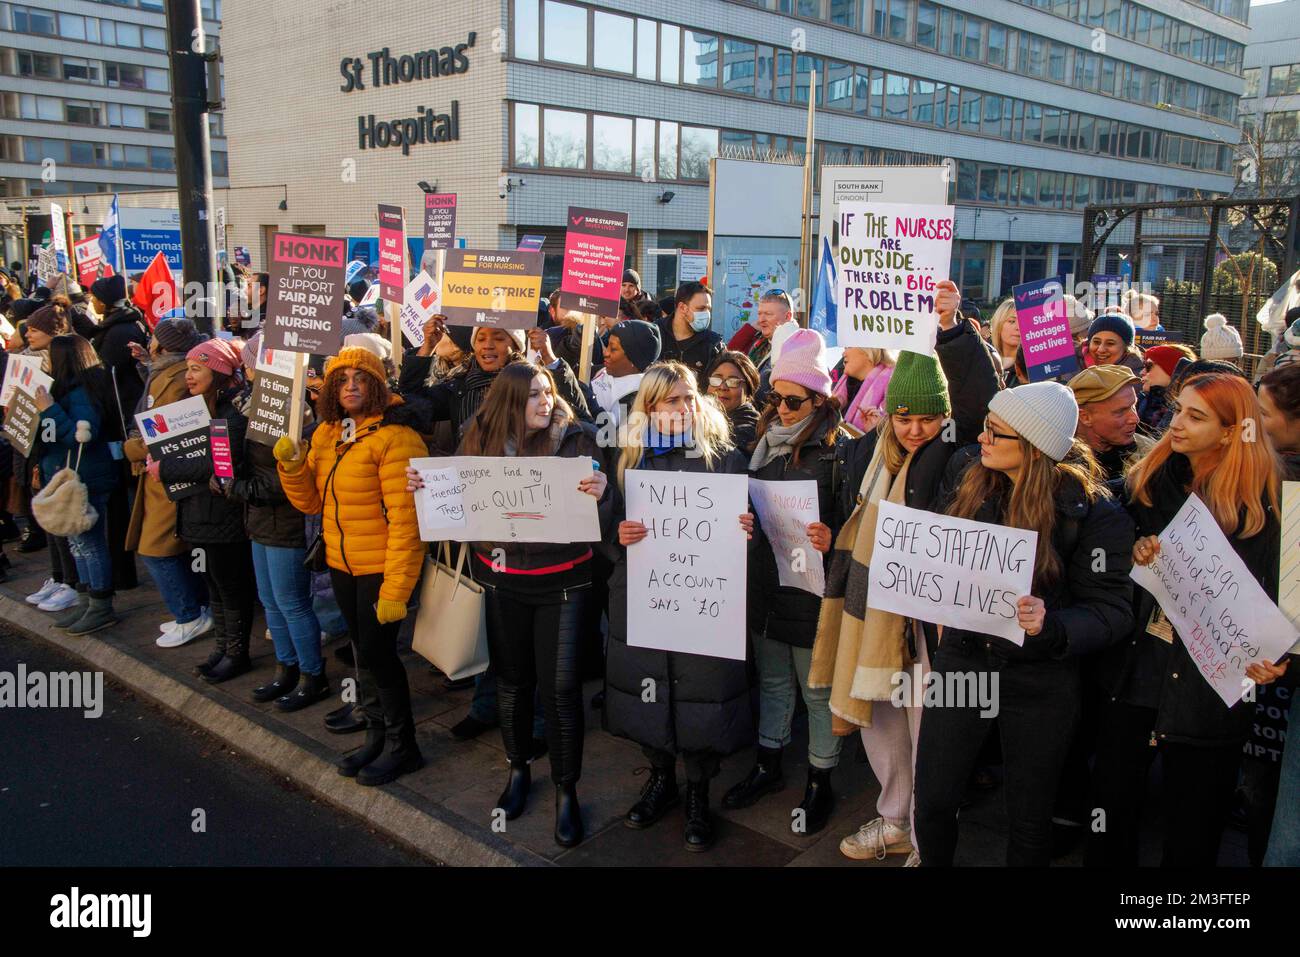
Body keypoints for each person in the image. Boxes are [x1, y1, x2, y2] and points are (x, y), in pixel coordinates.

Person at [811, 279, 1001, 865]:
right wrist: (827, 539)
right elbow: (851, 518)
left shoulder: (960, 456)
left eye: (927, 418)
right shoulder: (866, 453)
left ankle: (925, 837)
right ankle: (893, 817)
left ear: (944, 417)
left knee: (928, 735)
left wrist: (951, 328)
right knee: (881, 719)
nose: (914, 429)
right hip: (870, 612)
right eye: (903, 417)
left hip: (927, 627)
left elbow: (977, 400)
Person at [913, 382, 1136, 867]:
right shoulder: (970, 477)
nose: (982, 439)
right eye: (986, 428)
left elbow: (1113, 611)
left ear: (1034, 447)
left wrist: (1051, 624)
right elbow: (934, 548)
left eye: (997, 433)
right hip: (965, 663)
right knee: (931, 801)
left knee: (1030, 818)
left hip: (1040, 678)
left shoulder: (1094, 513)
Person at [1088, 373, 1289, 867]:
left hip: (1210, 696)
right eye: (1178, 410)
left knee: (1193, 833)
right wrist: (1130, 553)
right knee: (1110, 814)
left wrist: (1279, 659)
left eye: (1195, 416)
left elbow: (1282, 608)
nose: (1175, 423)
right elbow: (1097, 547)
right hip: (1135, 677)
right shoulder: (1149, 483)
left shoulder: (1270, 508)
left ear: (1231, 431)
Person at [410, 362, 610, 845]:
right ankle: (518, 770)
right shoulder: (477, 436)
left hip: (564, 584)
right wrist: (423, 488)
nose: (544, 402)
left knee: (560, 691)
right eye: (532, 396)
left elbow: (604, 510)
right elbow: (453, 496)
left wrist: (603, 494)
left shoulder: (576, 438)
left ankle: (567, 791)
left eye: (547, 391)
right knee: (513, 684)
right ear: (508, 402)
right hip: (502, 581)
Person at [604, 361, 754, 851]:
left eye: (690, 396)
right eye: (673, 400)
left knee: (700, 692)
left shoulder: (725, 458)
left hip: (703, 598)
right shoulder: (627, 457)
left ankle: (698, 792)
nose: (686, 407)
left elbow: (746, 536)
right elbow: (603, 525)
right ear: (650, 408)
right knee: (650, 689)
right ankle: (660, 778)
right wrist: (617, 535)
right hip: (646, 594)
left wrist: (747, 533)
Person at [277, 346, 427, 786]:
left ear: (377, 385)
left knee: (381, 657)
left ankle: (405, 748)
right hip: (342, 565)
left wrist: (397, 589)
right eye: (342, 380)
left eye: (360, 379)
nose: (351, 387)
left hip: (380, 569)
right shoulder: (327, 434)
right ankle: (376, 738)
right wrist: (291, 465)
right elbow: (310, 502)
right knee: (364, 655)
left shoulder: (397, 438)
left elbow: (407, 522)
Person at [725, 330, 852, 835]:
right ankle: (768, 764)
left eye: (793, 400)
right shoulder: (760, 445)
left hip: (810, 591)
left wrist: (833, 537)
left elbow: (859, 526)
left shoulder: (841, 455)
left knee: (815, 690)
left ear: (820, 401)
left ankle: (821, 780)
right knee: (774, 680)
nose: (781, 408)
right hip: (765, 585)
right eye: (775, 396)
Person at [230, 349, 329, 712]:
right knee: (271, 601)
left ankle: (312, 675)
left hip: (286, 523)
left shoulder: (297, 413)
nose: (250, 369)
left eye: (255, 362)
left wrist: (236, 488)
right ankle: (286, 668)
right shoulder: (252, 407)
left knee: (292, 603)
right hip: (259, 521)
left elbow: (280, 482)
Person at [153, 338, 255, 683]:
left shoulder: (231, 412)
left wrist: (165, 469)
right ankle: (222, 648)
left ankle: (236, 653)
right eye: (188, 369)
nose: (189, 377)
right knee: (213, 584)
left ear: (218, 371)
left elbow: (220, 464)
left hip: (222, 516)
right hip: (198, 513)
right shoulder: (196, 409)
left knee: (230, 586)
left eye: (197, 369)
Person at [124, 318, 213, 646]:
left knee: (156, 551)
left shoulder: (176, 379)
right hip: (163, 479)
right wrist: (147, 366)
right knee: (170, 550)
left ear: (161, 346)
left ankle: (190, 614)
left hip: (168, 477)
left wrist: (131, 448)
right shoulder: (167, 371)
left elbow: (163, 430)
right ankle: (195, 610)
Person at [33, 335, 125, 635]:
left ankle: (100, 604)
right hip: (70, 475)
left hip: (86, 477)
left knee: (89, 544)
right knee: (77, 542)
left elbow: (81, 435)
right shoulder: (69, 389)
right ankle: (87, 600)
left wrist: (49, 410)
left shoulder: (83, 392)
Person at [402, 321, 589, 443]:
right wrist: (426, 349)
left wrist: (550, 358)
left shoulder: (536, 383)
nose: (488, 345)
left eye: (498, 338)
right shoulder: (459, 387)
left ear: (516, 345)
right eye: (481, 338)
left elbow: (580, 417)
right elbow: (410, 404)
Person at [1066, 365, 1152, 485]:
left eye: (1133, 406)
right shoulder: (1056, 466)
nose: (1135, 419)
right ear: (1085, 417)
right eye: (1121, 412)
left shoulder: (1151, 455)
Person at [88, 274, 149, 421]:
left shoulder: (120, 332)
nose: (91, 301)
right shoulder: (120, 323)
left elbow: (109, 371)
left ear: (103, 302)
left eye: (94, 298)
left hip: (124, 404)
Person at [589, 319, 660, 430]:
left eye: (613, 349)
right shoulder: (601, 371)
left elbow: (607, 430)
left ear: (633, 359)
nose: (605, 353)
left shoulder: (639, 396)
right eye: (607, 346)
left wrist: (585, 397)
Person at [656, 281, 723, 389]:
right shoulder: (655, 335)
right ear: (682, 307)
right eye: (701, 309)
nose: (706, 314)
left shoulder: (713, 344)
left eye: (708, 309)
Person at [705, 350, 761, 453]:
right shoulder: (698, 417)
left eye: (733, 382)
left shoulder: (748, 430)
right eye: (716, 379)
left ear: (748, 392)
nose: (722, 387)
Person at [1137, 343, 1195, 435]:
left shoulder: (1187, 410)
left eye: (1148, 367)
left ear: (1172, 370)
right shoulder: (1138, 401)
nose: (1142, 372)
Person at [832, 347, 895, 433]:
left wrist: (877, 431)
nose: (843, 354)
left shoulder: (893, 388)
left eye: (848, 347)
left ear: (868, 352)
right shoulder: (844, 386)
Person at [746, 290, 797, 380]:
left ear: (787, 316)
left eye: (768, 314)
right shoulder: (760, 342)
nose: (761, 320)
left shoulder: (798, 348)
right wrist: (750, 329)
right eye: (760, 314)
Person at [988, 299, 1020, 385]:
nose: (1018, 327)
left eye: (1023, 321)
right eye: (1012, 321)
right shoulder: (983, 359)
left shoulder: (1035, 369)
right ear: (998, 324)